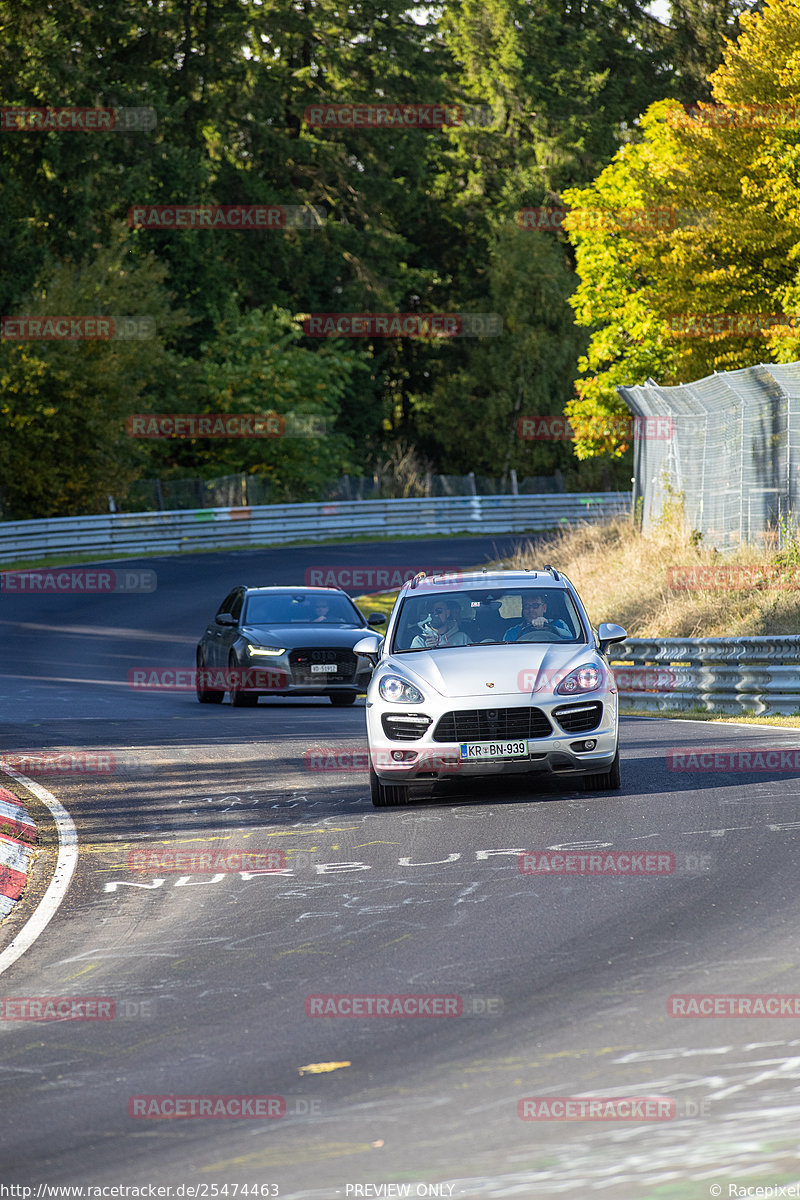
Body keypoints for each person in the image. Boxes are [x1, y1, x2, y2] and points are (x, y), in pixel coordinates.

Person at [503, 593, 571, 641]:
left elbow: (572, 639)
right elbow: (505, 652)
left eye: (535, 605)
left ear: (544, 608)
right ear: (523, 609)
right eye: (527, 606)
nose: (531, 610)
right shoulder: (511, 632)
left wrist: (549, 628)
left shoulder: (559, 623)